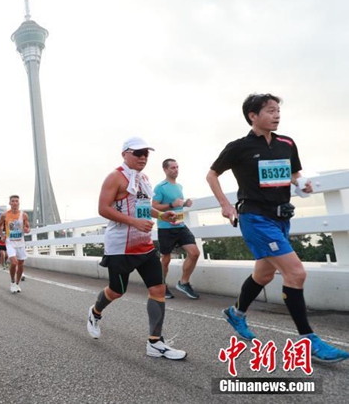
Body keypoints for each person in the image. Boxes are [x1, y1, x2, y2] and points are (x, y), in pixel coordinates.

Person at [206, 93, 349, 363]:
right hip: (255, 219)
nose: (276, 115)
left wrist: (302, 183)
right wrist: (225, 204)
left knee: (263, 275)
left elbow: (294, 174)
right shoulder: (239, 147)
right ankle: (309, 341)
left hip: (282, 218)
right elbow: (212, 174)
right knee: (296, 273)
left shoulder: (287, 143)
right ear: (252, 116)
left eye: (278, 111)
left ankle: (235, 314)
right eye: (270, 111)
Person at [86, 137, 186, 360]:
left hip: (144, 245)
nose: (143, 157)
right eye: (137, 153)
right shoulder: (115, 177)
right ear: (125, 154)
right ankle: (95, 312)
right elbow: (103, 208)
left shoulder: (143, 178)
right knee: (117, 291)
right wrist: (133, 222)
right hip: (120, 246)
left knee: (158, 289)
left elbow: (142, 207)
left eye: (146, 154)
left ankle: (155, 342)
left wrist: (161, 215)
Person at [152, 159, 201, 300]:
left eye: (177, 167)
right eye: (173, 168)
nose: (176, 170)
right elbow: (154, 206)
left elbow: (178, 205)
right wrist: (171, 205)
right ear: (165, 170)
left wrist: (185, 203)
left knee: (194, 253)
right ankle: (161, 285)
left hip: (180, 226)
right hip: (166, 227)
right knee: (166, 259)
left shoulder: (179, 186)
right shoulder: (160, 187)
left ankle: (183, 282)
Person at [0, 195, 31, 292]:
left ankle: (17, 283)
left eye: (16, 201)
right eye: (13, 201)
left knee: (20, 264)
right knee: (14, 262)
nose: (15, 203)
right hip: (10, 241)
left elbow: (28, 227)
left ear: (19, 203)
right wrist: (2, 235)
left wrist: (27, 229)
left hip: (20, 242)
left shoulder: (24, 215)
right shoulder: (5, 215)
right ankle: (12, 282)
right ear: (10, 203)